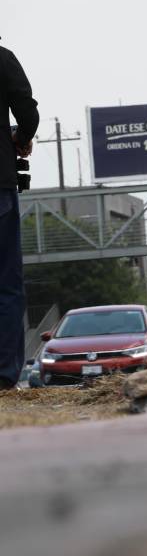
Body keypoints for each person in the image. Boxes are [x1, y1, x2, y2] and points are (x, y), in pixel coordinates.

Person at [1, 41, 39, 390]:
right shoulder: (2, 60)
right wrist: (21, 138)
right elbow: (27, 114)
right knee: (7, 285)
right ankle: (3, 375)